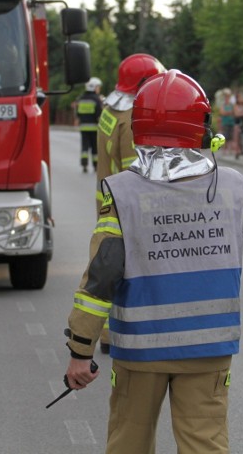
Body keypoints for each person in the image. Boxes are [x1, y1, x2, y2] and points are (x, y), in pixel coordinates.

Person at [63, 70, 243, 453]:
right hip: (208, 347)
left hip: (141, 351)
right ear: (202, 126)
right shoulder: (234, 186)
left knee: (129, 443)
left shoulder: (121, 193)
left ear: (137, 126)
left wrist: (81, 350)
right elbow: (236, 237)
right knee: (205, 445)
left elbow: (101, 278)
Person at [94, 53, 165, 353]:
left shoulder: (110, 110)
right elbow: (135, 172)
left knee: (112, 270)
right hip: (131, 207)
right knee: (135, 272)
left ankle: (109, 334)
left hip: (108, 203)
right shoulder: (132, 119)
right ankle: (130, 333)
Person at [73, 77, 103, 173]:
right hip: (94, 128)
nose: (99, 89)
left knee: (85, 146)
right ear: (94, 87)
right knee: (94, 147)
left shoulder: (81, 98)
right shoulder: (96, 99)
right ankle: (95, 166)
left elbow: (77, 112)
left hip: (83, 127)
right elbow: (99, 113)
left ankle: (84, 164)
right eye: (98, 87)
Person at [218, 88, 236, 155]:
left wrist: (227, 113)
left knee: (231, 136)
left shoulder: (231, 105)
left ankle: (230, 149)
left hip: (231, 122)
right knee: (225, 136)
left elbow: (234, 112)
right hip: (225, 123)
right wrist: (229, 112)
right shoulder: (223, 105)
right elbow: (222, 112)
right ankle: (225, 150)